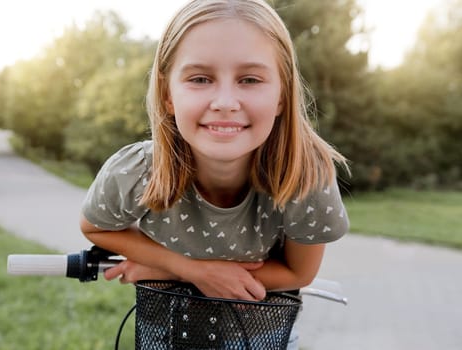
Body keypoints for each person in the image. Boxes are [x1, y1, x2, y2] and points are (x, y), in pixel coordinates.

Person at [80, 0, 350, 348]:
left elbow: (299, 273)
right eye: (200, 78)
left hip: (259, 336)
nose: (225, 101)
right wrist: (192, 270)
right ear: (167, 95)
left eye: (250, 79)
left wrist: (166, 270)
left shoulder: (303, 177)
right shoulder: (137, 171)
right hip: (164, 334)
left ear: (282, 94)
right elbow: (95, 226)